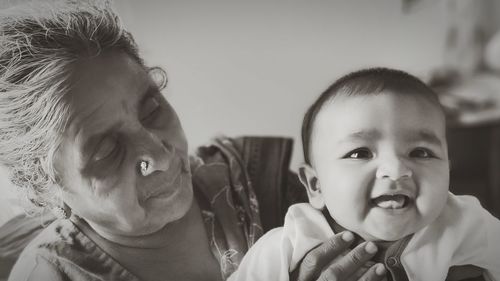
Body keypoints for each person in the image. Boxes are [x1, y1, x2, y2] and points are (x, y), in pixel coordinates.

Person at [0, 1, 388, 281]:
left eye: (152, 110)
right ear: (46, 187)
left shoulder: (249, 183)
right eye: (106, 151)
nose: (160, 155)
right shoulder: (51, 274)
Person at [230, 68, 500, 281]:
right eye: (360, 153)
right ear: (315, 185)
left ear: (448, 169)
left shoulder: (467, 223)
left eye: (421, 152)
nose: (395, 170)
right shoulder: (289, 245)